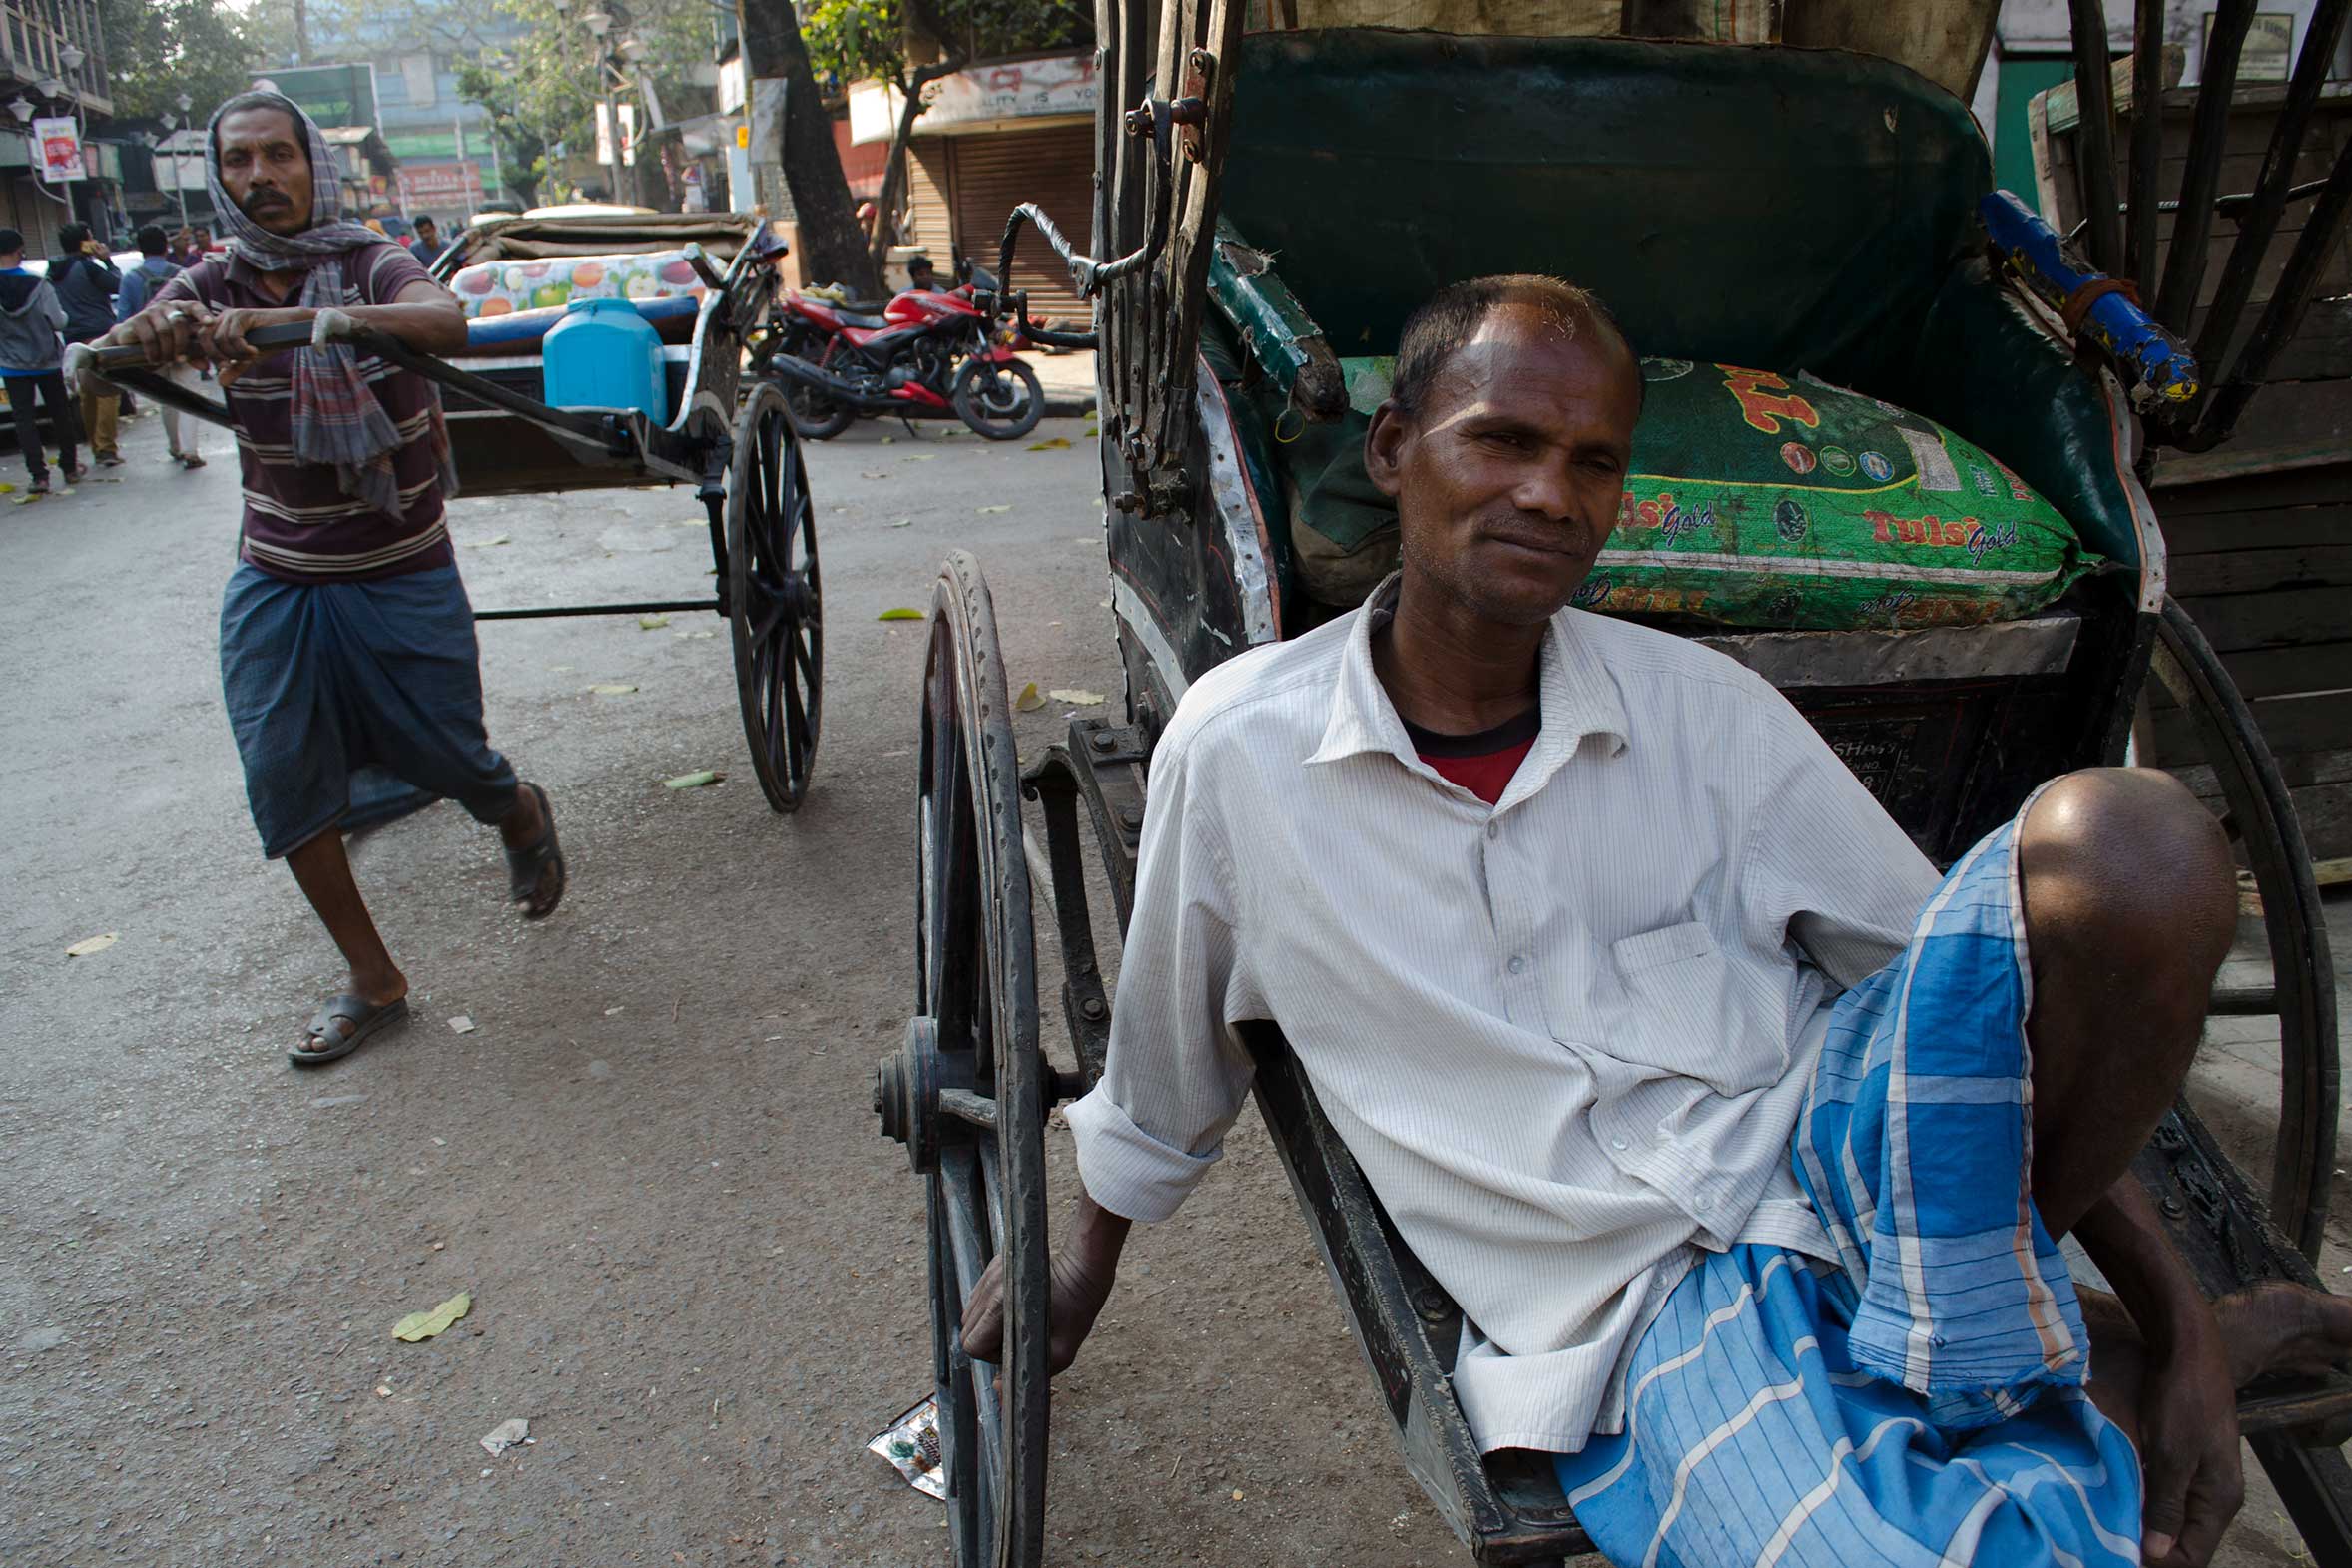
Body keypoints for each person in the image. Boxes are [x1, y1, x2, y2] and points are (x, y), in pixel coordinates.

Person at [960, 275, 2352, 1568]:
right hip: (1641, 1302)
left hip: (1839, 1160)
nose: (1548, 494)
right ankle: (2028, 1360)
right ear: (1393, 451)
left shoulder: (1705, 708)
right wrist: (1082, 1255)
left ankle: (2052, 1339)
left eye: (1593, 463)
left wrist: (2186, 1336)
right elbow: (1164, 1049)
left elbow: (1967, 1008)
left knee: (2140, 840)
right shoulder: (1241, 749)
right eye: (1501, 442)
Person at [93, 91, 567, 1067]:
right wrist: (131, 347)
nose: (259, 177)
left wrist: (323, 321)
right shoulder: (212, 279)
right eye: (238, 162)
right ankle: (373, 977)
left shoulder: (367, 259)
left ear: (314, 164)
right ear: (218, 178)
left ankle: (516, 808)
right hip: (277, 567)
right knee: (281, 773)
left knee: (448, 756)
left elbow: (445, 322)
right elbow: (137, 336)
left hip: (397, 561)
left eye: (278, 155)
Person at [116, 224, 205, 469]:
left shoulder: (131, 279)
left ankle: (175, 446)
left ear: (140, 249)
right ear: (165, 246)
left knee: (167, 397)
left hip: (151, 348)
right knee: (189, 394)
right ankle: (190, 449)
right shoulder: (182, 275)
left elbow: (124, 319)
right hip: (185, 344)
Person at [0, 227, 82, 493]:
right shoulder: (39, 284)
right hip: (47, 360)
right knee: (60, 413)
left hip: (12, 365)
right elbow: (58, 321)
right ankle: (69, 468)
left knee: (24, 420)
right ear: (18, 250)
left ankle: (39, 477)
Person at [51, 223, 123, 467]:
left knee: (87, 394)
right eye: (91, 238)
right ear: (84, 242)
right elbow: (117, 285)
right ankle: (106, 448)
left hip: (73, 337)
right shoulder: (88, 268)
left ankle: (95, 444)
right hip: (97, 335)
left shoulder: (55, 271)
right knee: (107, 391)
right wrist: (108, 261)